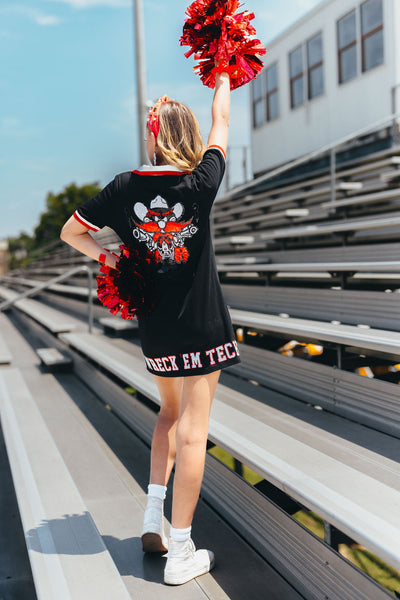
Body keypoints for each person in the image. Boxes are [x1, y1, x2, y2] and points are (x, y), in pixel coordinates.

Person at [60, 65, 241, 585]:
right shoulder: (202, 179)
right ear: (189, 135)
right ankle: (181, 548)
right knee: (194, 433)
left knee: (168, 414)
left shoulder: (123, 186)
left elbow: (71, 231)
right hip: (203, 327)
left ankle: (152, 519)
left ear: (154, 135)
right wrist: (224, 71)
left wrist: (114, 260)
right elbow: (223, 118)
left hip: (157, 329)